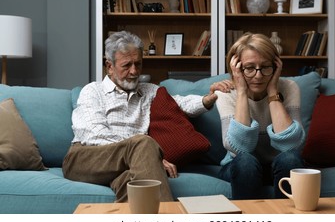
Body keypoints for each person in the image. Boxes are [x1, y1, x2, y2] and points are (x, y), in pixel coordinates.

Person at [62, 30, 219, 202]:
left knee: (134, 184)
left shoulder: (149, 91)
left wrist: (207, 99)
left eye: (138, 64)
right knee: (144, 143)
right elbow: (94, 133)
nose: (134, 71)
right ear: (109, 66)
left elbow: (180, 103)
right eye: (126, 65)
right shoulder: (93, 91)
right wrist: (148, 156)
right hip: (87, 157)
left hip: (129, 163)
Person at [214, 32, 306, 199]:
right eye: (249, 68)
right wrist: (241, 92)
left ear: (276, 66)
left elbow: (292, 145)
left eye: (265, 67)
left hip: (278, 165)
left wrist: (272, 91)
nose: (258, 75)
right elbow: (239, 148)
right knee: (245, 162)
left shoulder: (289, 87)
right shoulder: (225, 93)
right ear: (236, 68)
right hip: (239, 167)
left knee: (291, 159)